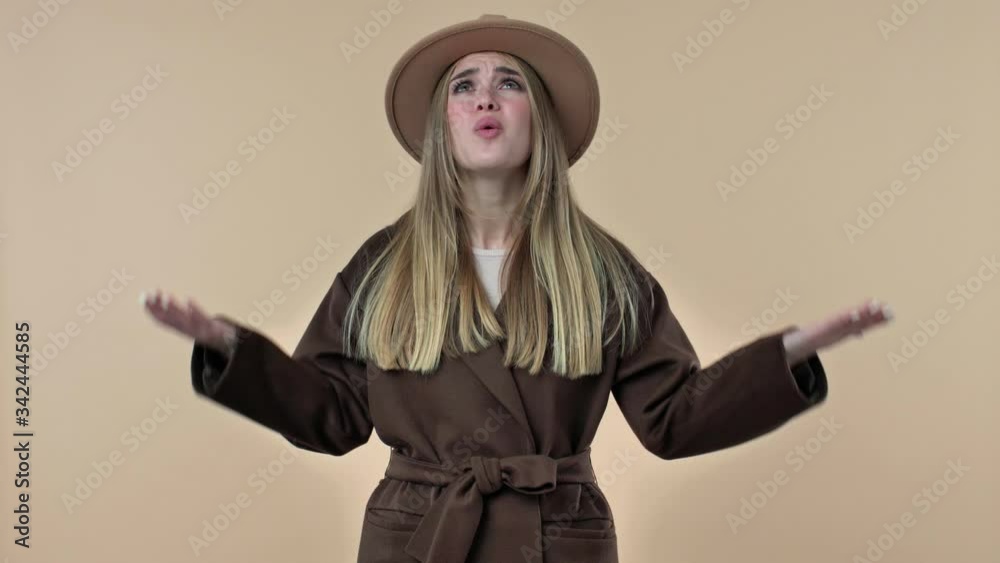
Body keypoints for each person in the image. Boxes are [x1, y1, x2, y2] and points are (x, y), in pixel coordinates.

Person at [141, 14, 893, 563]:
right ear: (444, 125)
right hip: (418, 536)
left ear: (542, 119)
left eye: (508, 83)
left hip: (557, 536)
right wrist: (231, 352)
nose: (484, 97)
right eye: (464, 86)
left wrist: (787, 355)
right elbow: (333, 415)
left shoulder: (603, 271)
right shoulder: (383, 267)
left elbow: (674, 419)